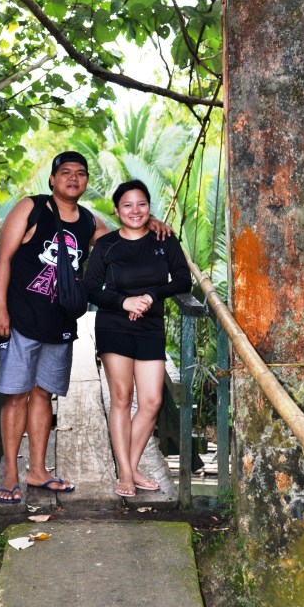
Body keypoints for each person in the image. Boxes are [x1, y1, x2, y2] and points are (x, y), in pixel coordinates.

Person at [0, 153, 172, 504]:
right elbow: (3, 257)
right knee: (16, 394)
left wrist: (149, 221)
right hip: (22, 317)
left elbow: (121, 235)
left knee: (44, 394)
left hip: (60, 322)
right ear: (53, 179)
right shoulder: (32, 208)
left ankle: (39, 471)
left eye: (80, 174)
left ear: (86, 182)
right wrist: (0, 308)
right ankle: (12, 472)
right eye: (65, 173)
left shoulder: (88, 221)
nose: (73, 178)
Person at [84, 179, 192, 498]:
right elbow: (90, 288)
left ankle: (128, 468)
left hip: (150, 325)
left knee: (151, 401)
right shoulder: (107, 245)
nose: (135, 210)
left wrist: (149, 295)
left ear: (149, 208)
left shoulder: (164, 239)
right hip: (114, 324)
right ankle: (127, 474)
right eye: (127, 205)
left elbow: (183, 280)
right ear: (117, 211)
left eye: (141, 204)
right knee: (121, 397)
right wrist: (124, 302)